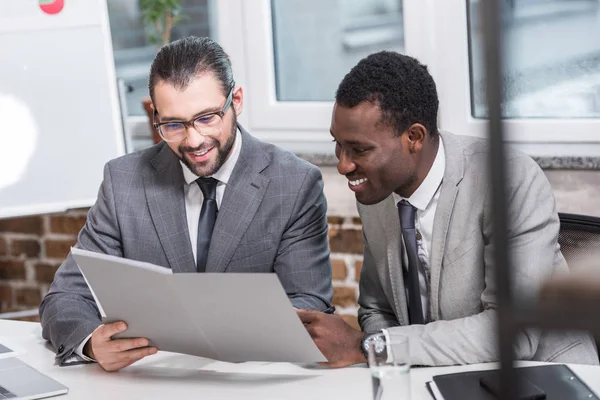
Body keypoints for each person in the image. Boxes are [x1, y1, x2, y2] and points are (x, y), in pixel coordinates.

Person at [39, 36, 333, 371]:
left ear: (236, 101)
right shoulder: (123, 182)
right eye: (173, 125)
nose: (194, 141)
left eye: (207, 118)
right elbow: (65, 298)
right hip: (150, 382)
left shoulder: (294, 182)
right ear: (156, 116)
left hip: (254, 380)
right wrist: (91, 343)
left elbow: (310, 304)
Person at [298, 51, 598, 367]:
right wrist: (388, 361)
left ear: (413, 137)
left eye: (359, 149)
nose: (343, 165)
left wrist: (375, 347)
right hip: (432, 381)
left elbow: (515, 331)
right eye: (338, 144)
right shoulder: (378, 191)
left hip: (542, 378)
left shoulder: (506, 180)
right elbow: (378, 309)